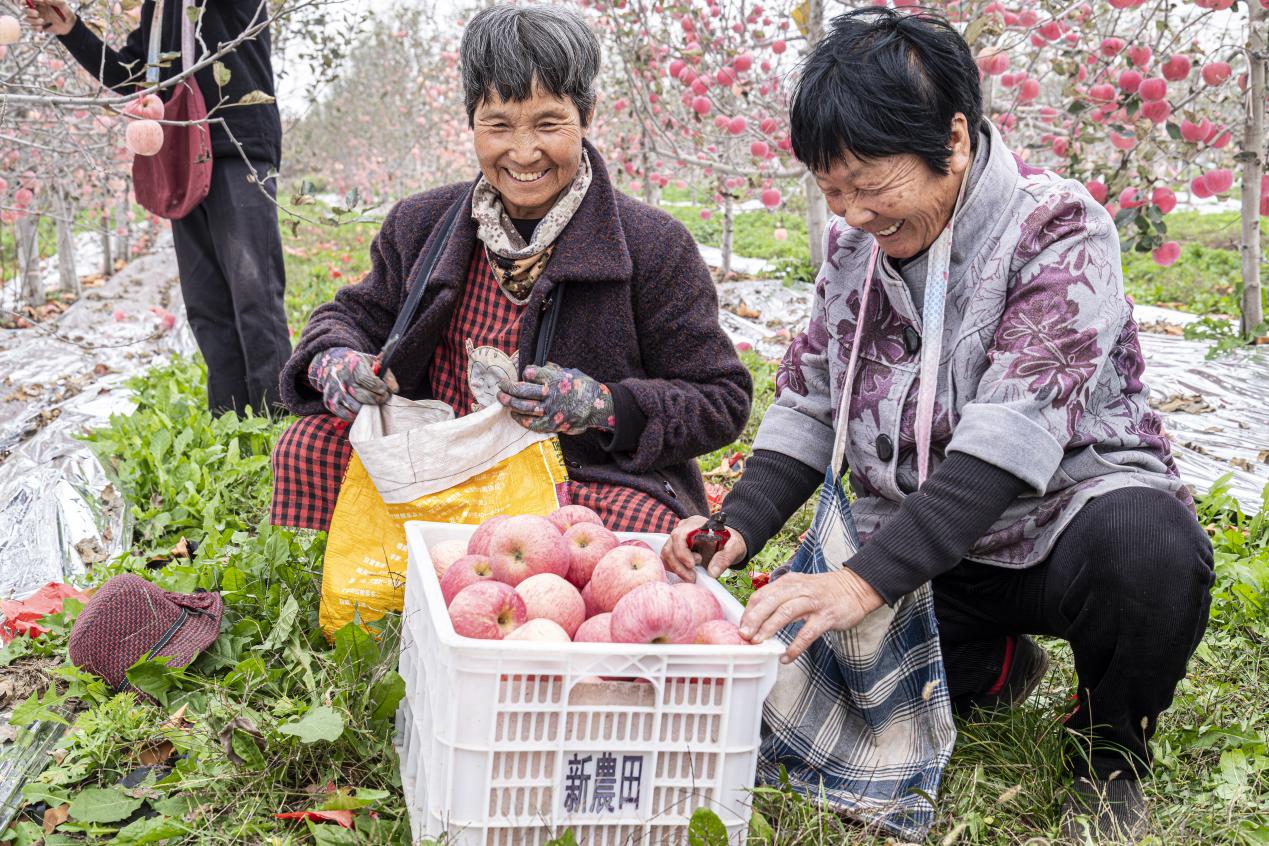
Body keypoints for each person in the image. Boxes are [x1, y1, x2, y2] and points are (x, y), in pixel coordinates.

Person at [662, 9, 1213, 840]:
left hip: (1057, 525)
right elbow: (811, 402)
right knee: (812, 679)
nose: (850, 214)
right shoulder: (854, 256)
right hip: (922, 546)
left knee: (1150, 552)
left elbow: (1004, 444)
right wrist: (733, 527)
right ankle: (993, 665)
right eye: (830, 188)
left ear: (952, 139)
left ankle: (1108, 753)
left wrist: (858, 582)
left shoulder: (1055, 231)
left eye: (868, 183)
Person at [269, 4, 750, 535]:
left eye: (548, 123)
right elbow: (351, 315)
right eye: (498, 126)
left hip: (577, 474)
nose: (524, 153)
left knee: (641, 525)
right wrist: (333, 362)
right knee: (307, 447)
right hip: (444, 456)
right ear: (471, 123)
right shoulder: (420, 222)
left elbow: (720, 398)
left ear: (586, 116)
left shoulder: (654, 245)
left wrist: (603, 406)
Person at [25, 0, 290, 415]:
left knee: (254, 293)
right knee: (205, 301)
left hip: (238, 151)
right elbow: (130, 75)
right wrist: (71, 28)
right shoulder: (160, 9)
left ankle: (279, 420)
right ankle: (232, 420)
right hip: (183, 156)